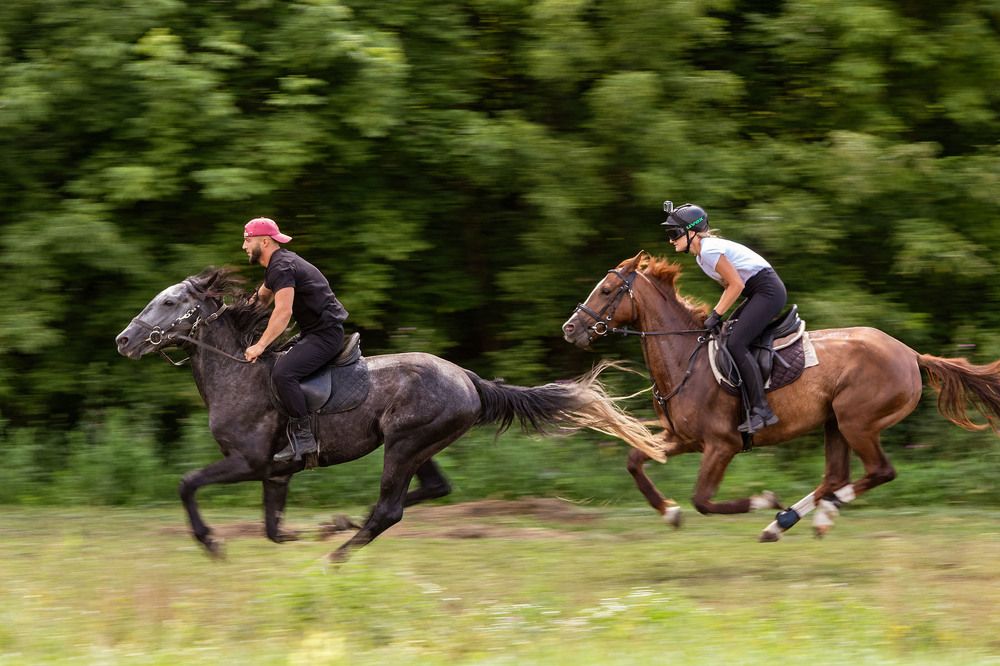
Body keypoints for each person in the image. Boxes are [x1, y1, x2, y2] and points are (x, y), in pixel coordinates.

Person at [661, 201, 787, 434]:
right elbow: (733, 286)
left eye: (674, 233)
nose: (671, 240)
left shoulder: (708, 250)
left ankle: (761, 409)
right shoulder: (702, 257)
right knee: (729, 335)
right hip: (759, 292)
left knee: (736, 344)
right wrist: (719, 318)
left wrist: (716, 314)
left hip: (767, 292)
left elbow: (736, 285)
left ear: (691, 232)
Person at [242, 217, 349, 462]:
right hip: (314, 333)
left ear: (265, 242)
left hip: (326, 336)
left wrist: (260, 344)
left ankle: (305, 439)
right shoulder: (277, 266)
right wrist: (227, 318)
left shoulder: (281, 267)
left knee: (283, 373)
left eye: (248, 240)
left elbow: (283, 312)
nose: (244, 247)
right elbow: (260, 300)